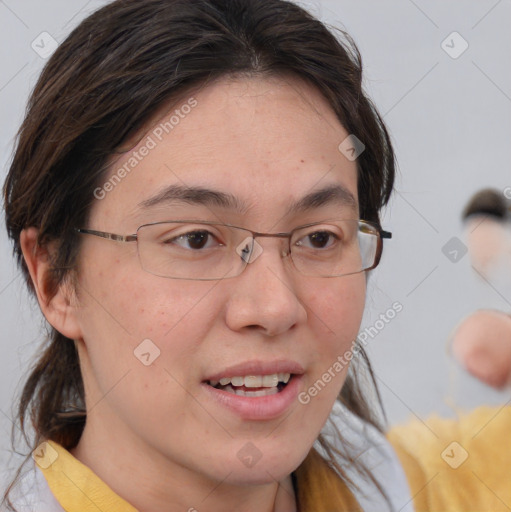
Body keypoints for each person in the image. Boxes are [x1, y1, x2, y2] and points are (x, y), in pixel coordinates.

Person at [1, 0, 413, 510]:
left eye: (319, 238)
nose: (274, 307)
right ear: (55, 281)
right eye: (196, 239)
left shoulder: (404, 484)